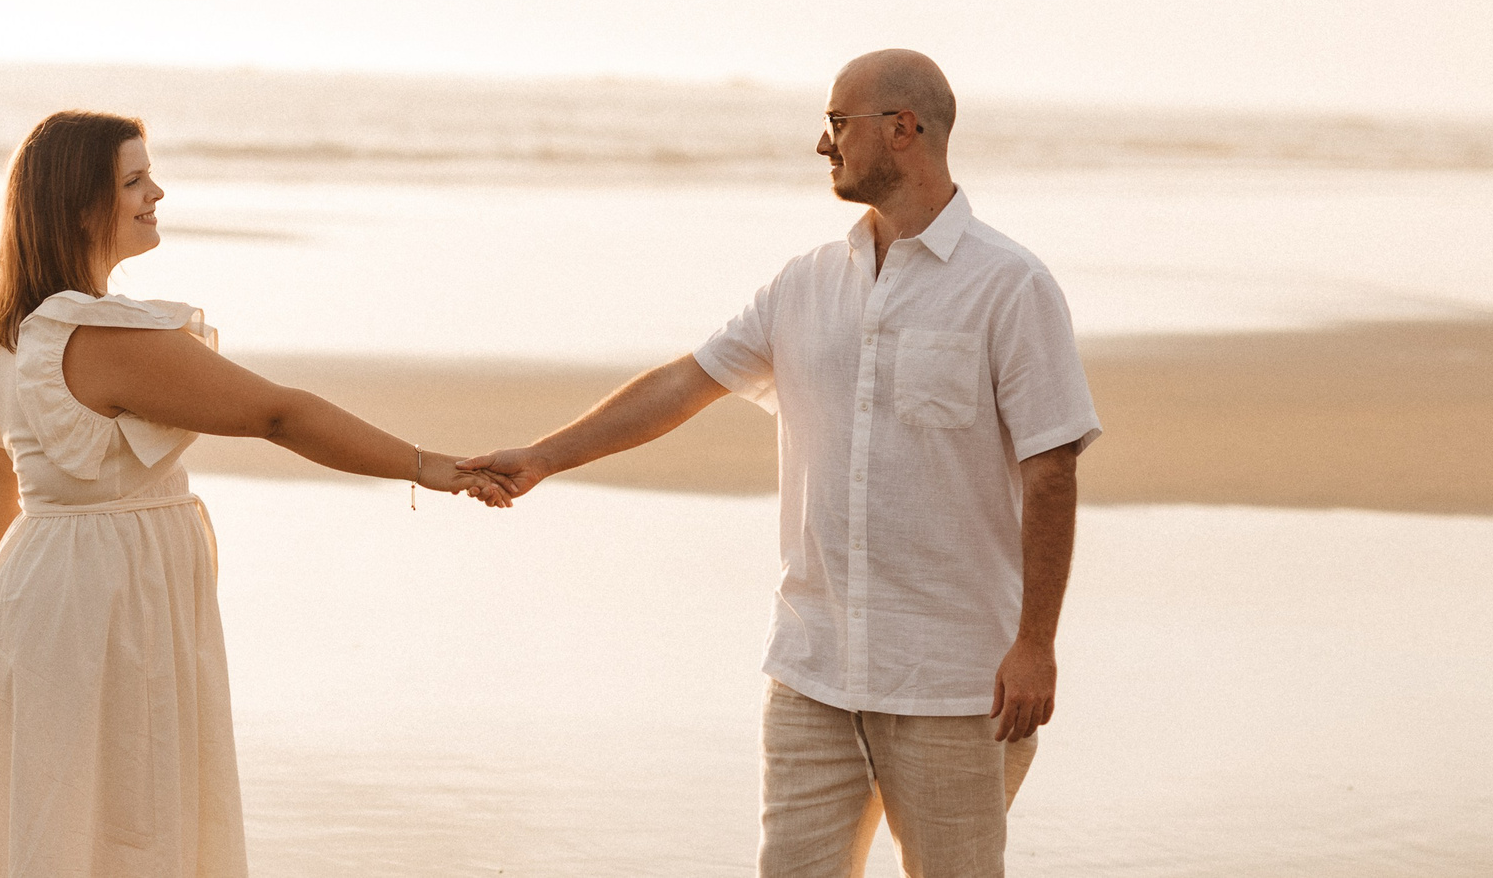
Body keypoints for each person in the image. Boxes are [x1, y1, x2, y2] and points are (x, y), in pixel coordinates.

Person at [461, 50, 1100, 878]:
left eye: (838, 122)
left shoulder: (1011, 287)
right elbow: (683, 384)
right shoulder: (805, 284)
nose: (822, 143)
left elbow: (1053, 470)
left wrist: (1036, 644)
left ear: (902, 129)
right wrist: (545, 455)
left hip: (951, 683)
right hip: (812, 673)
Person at [0, 109, 510, 878]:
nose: (157, 192)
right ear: (81, 206)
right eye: (135, 180)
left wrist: (36, 616)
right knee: (130, 821)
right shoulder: (96, 336)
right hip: (107, 599)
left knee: (58, 822)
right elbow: (277, 412)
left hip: (36, 593)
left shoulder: (2, 331)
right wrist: (424, 464)